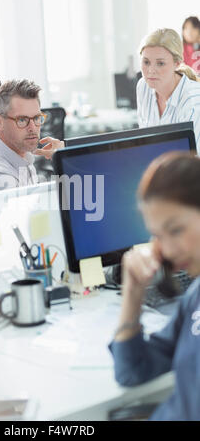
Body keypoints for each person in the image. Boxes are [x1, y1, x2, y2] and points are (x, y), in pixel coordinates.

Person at [109, 151, 200, 421]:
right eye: (158, 236)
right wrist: (133, 292)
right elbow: (132, 371)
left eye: (176, 229)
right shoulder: (195, 296)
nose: (168, 250)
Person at [136, 28, 200, 153]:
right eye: (146, 62)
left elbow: (193, 163)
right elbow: (144, 143)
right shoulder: (143, 86)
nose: (150, 70)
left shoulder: (193, 102)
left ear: (177, 63)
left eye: (160, 63)